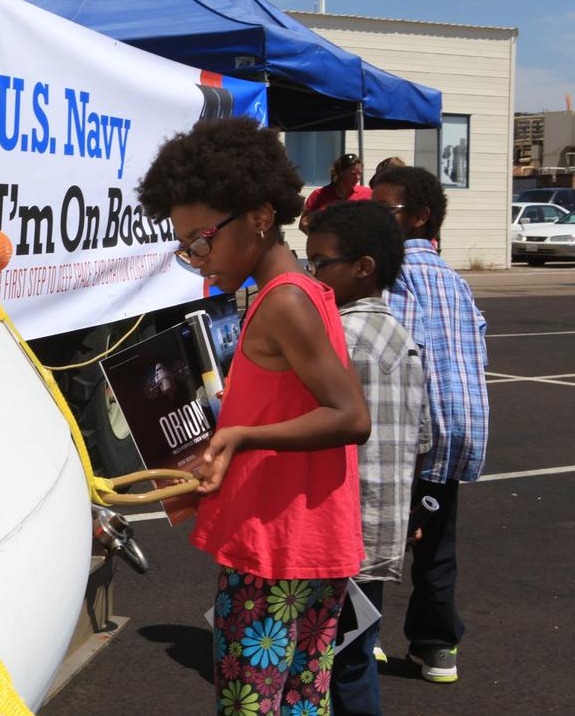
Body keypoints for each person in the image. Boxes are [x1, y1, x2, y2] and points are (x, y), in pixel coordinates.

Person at [137, 117, 370, 716]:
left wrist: (241, 435)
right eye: (184, 245)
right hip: (301, 544)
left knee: (252, 706)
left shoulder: (284, 300)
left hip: (278, 551)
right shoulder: (296, 289)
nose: (195, 259)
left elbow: (349, 415)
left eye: (201, 240)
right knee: (297, 705)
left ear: (260, 217)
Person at [306, 201, 432, 716]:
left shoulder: (336, 338)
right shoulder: (404, 338)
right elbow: (422, 438)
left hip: (331, 529)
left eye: (320, 264)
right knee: (354, 656)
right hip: (379, 528)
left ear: (362, 267)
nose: (312, 276)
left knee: (311, 660)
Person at [369, 165, 489, 684]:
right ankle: (436, 647)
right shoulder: (455, 281)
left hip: (402, 441)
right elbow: (477, 344)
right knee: (437, 548)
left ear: (417, 217)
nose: (370, 215)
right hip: (456, 438)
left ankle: (361, 638)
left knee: (371, 539)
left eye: (382, 208)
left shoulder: (392, 275)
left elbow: (394, 356)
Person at [298, 152, 371, 233]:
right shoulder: (319, 195)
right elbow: (304, 223)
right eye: (353, 173)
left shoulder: (368, 193)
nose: (357, 178)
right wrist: (319, 240)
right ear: (341, 172)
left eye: (359, 174)